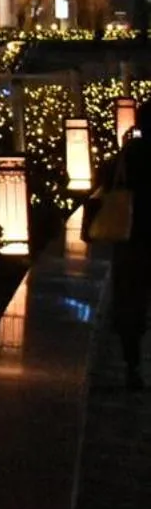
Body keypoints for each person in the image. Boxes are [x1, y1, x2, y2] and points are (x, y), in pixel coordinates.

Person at [99, 128, 151, 389]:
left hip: (130, 241)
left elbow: (105, 181)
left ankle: (133, 364)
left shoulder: (126, 156)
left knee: (132, 304)